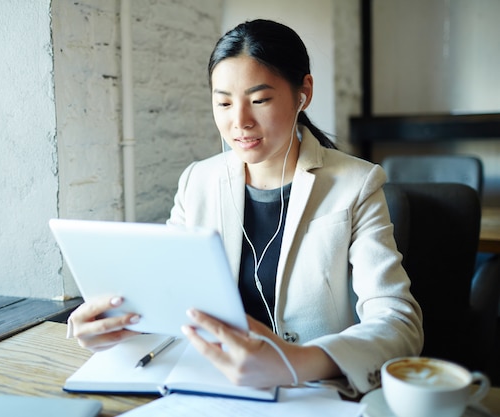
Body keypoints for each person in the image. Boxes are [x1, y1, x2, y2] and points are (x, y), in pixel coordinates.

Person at [67, 19, 423, 396]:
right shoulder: (196, 183)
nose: (239, 122)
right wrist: (113, 326)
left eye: (259, 100)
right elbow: (171, 295)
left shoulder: (356, 184)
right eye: (223, 102)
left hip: (309, 391)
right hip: (209, 384)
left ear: (303, 93)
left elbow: (399, 324)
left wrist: (293, 362)